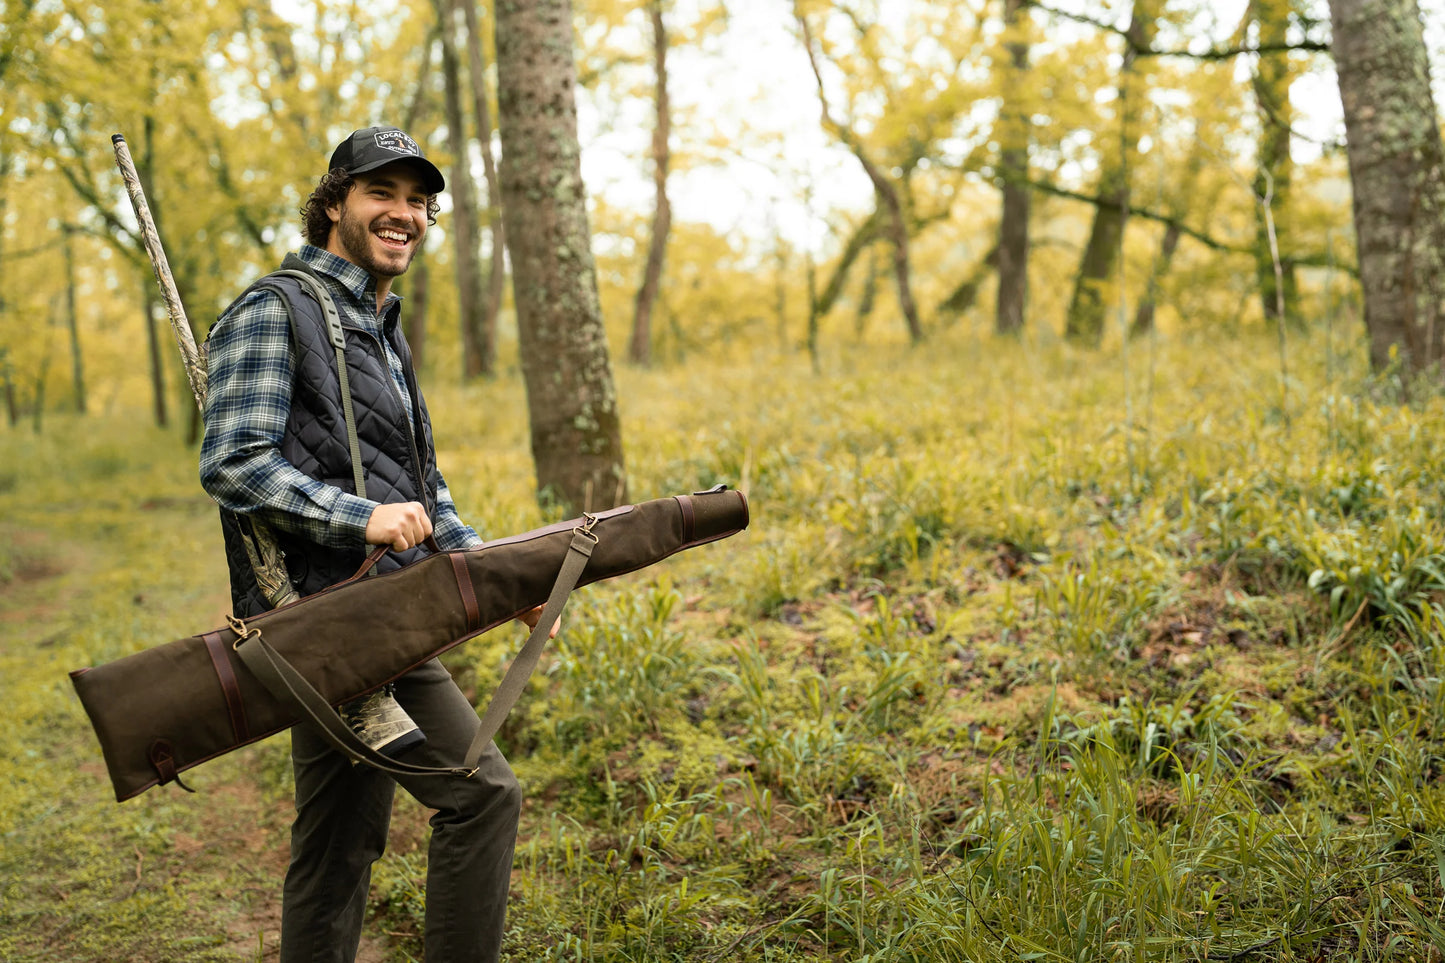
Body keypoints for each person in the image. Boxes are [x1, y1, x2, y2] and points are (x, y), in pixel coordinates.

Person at [200, 126, 536, 963]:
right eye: (383, 194)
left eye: (419, 202)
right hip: (329, 626)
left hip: (384, 614)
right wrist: (360, 516)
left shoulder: (381, 326)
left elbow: (425, 487)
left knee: (337, 842)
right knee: (480, 794)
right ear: (334, 202)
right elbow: (233, 463)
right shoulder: (271, 309)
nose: (405, 215)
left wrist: (505, 577)